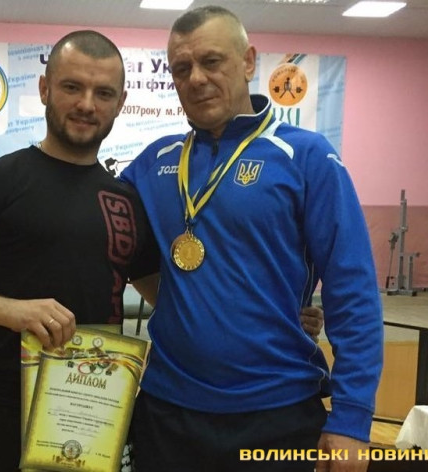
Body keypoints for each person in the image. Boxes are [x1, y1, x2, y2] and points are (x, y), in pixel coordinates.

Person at [0, 29, 324, 472]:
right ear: (44, 89)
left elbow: (177, 295)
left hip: (93, 415)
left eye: (103, 93)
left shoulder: (127, 198)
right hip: (1, 415)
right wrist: (11, 311)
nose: (87, 104)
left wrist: (277, 316)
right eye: (72, 87)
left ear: (120, 103)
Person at [122, 6, 383, 472]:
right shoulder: (153, 163)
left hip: (277, 413)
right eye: (181, 68)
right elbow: (98, 232)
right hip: (167, 412)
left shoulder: (306, 156)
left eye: (212, 61)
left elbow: (353, 290)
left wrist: (352, 418)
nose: (196, 78)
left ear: (247, 61)